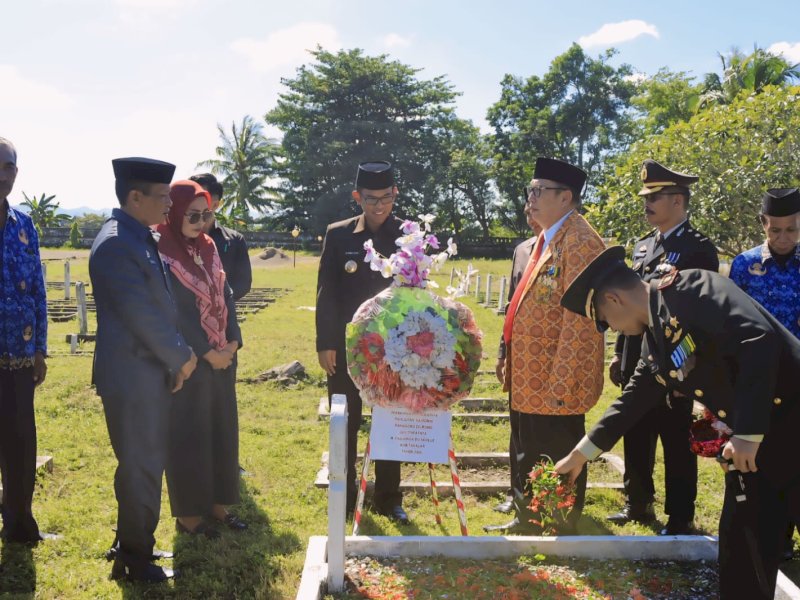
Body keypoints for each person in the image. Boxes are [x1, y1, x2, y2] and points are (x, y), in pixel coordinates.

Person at [556, 247, 800, 600]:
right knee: (741, 545)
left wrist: (747, 432)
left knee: (750, 535)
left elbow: (757, 339)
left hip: (789, 424)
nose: (609, 328)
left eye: (603, 318)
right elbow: (634, 398)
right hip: (758, 446)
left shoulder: (694, 289)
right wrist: (579, 456)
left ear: (613, 299)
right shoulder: (654, 342)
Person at [90, 157, 197, 582]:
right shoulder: (118, 242)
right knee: (142, 466)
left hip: (144, 371)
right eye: (162, 196)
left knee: (139, 464)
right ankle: (135, 561)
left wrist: (171, 359)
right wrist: (182, 355)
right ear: (135, 197)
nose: (170, 203)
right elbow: (141, 316)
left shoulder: (137, 236)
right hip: (132, 377)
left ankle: (132, 544)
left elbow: (157, 307)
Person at [485, 157, 605, 534]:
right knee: (526, 448)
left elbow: (580, 324)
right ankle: (528, 518)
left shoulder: (581, 241)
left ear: (566, 197)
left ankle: (555, 524)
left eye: (540, 191)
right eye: (530, 191)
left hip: (554, 377)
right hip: (528, 374)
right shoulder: (545, 238)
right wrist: (508, 352)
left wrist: (562, 379)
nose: (531, 199)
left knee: (553, 449)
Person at [607, 160, 719, 535]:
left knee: (675, 439)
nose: (647, 203)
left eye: (655, 197)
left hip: (674, 363)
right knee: (635, 431)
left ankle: (680, 514)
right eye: (646, 196)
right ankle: (637, 503)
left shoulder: (698, 249)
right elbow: (629, 306)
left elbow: (699, 315)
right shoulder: (642, 247)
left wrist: (685, 368)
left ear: (679, 200)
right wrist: (619, 353)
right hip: (638, 357)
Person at [316, 161, 407, 523]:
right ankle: (346, 490)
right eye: (371, 199)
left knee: (389, 420)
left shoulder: (407, 235)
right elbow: (327, 293)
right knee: (346, 419)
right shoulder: (338, 235)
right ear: (358, 197)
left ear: (394, 195)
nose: (379, 206)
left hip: (393, 348)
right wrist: (325, 342)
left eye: (386, 197)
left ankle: (388, 496)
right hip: (347, 347)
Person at [158, 180, 246, 539]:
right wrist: (209, 352)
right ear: (174, 213)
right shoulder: (163, 251)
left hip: (222, 358)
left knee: (222, 432)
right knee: (190, 436)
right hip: (191, 362)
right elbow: (175, 312)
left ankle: (218, 506)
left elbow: (227, 296)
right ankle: (190, 516)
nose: (200, 221)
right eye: (192, 214)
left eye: (206, 214)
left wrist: (233, 344)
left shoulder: (209, 247)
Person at [730, 187, 800, 559]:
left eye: (791, 230)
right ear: (763, 225)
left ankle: (788, 531)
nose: (783, 238)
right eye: (775, 230)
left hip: (798, 375)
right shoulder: (744, 264)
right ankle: (770, 533)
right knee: (761, 453)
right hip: (757, 376)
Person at [0, 137, 51, 544]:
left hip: (19, 358)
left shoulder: (24, 226)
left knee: (20, 446)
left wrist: (39, 350)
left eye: (8, 166)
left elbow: (37, 288)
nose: (2, 174)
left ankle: (19, 525)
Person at [493, 205, 541, 515]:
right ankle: (516, 492)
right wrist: (502, 352)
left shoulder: (562, 247)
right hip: (518, 356)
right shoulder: (522, 249)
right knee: (517, 429)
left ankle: (536, 493)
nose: (529, 206)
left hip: (544, 358)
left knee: (537, 430)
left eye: (538, 196)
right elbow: (512, 306)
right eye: (528, 198)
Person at [189, 173, 252, 301]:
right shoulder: (176, 237)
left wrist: (219, 302)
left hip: (223, 316)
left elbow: (243, 283)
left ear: (215, 204)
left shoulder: (234, 240)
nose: (192, 200)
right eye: (190, 194)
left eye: (200, 195)